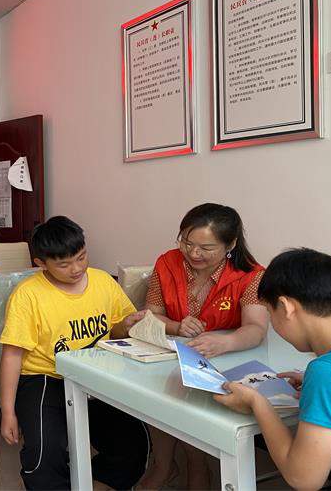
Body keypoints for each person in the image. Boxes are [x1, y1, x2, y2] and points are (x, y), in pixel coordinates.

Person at [215, 248, 331, 490]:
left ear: (285, 307)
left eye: (270, 312)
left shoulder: (328, 373)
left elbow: (303, 479)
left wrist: (257, 403)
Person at [0, 216, 150, 490]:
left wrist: (126, 326)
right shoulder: (28, 295)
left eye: (81, 257)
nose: (77, 268)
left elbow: (116, 331)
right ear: (41, 263)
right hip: (46, 379)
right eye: (64, 264)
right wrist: (7, 411)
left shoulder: (103, 281)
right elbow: (12, 355)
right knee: (43, 456)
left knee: (133, 446)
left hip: (97, 376)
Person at [138, 203, 268, 489]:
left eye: (206, 248)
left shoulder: (251, 274)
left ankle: (194, 465)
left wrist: (227, 341)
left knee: (194, 399)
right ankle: (165, 464)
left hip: (224, 363)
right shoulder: (167, 262)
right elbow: (152, 314)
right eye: (187, 243)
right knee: (157, 394)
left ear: (230, 245)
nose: (194, 253)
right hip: (171, 358)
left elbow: (256, 329)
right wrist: (176, 326)